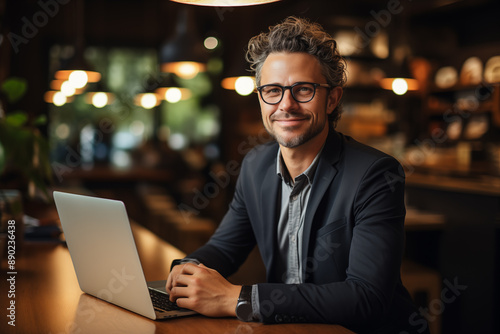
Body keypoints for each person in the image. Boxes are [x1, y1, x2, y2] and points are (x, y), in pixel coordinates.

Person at [166, 16, 429, 334]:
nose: (286, 105)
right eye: (273, 90)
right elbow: (224, 248)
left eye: (303, 89)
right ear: (261, 98)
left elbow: (366, 297)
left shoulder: (375, 174)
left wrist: (237, 298)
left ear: (332, 99)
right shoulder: (255, 165)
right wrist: (187, 269)